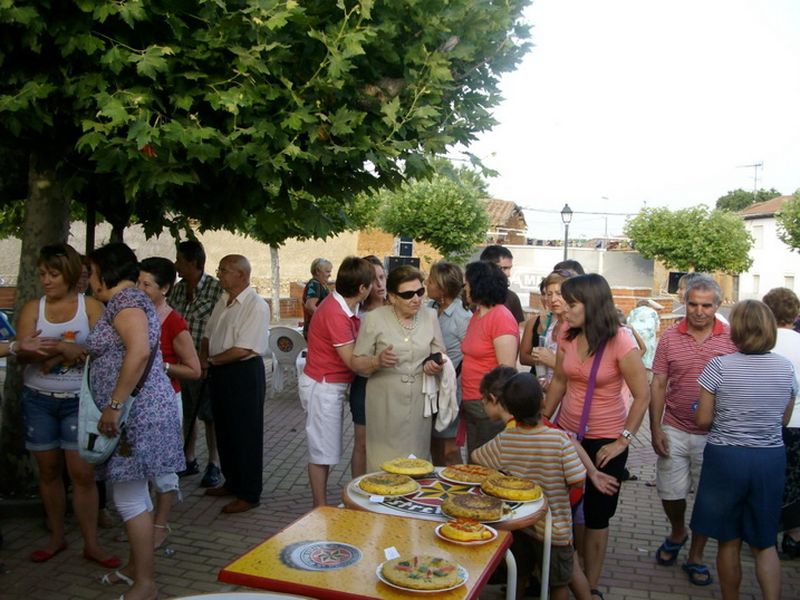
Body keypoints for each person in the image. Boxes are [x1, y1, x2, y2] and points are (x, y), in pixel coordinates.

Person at [542, 273, 650, 600]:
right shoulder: (566, 334)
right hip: (567, 434)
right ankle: (567, 576)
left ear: (592, 305)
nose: (564, 308)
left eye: (571, 303)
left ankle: (590, 586)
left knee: (597, 515)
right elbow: (559, 381)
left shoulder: (621, 340)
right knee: (565, 508)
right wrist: (542, 421)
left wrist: (623, 440)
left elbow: (642, 395)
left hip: (606, 441)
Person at [87, 242, 184, 600]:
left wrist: (114, 405)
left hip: (135, 416)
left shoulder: (126, 303)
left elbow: (139, 351)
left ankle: (146, 583)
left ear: (106, 271)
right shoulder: (130, 302)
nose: (89, 279)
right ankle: (136, 568)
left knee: (128, 498)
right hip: (140, 413)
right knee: (135, 495)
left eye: (91, 272)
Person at [15, 243, 119, 568]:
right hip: (38, 401)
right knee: (48, 473)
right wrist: (65, 349)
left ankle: (91, 544)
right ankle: (57, 537)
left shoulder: (90, 307)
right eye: (42, 274)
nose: (46, 280)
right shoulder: (33, 308)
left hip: (79, 402)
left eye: (53, 274)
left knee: (82, 475)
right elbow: (23, 353)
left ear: (70, 274)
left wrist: (54, 352)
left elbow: (106, 351)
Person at [691, 300, 795, 600]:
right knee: (765, 541)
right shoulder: (786, 368)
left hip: (726, 457)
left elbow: (703, 419)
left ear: (736, 329)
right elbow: (783, 419)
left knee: (728, 539)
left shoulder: (719, 366)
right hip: (769, 458)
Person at [649, 275, 735, 585]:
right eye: (693, 304)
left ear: (718, 305)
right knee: (670, 491)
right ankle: (677, 531)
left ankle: (696, 555)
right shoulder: (670, 337)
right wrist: (655, 428)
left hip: (716, 433)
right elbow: (658, 383)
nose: (699, 311)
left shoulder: (732, 339)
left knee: (707, 498)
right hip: (674, 426)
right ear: (685, 303)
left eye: (706, 306)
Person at [472, 372, 589, 600]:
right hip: (555, 529)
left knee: (519, 574)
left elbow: (477, 456)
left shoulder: (506, 439)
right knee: (558, 582)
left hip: (522, 523)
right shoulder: (559, 440)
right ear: (542, 403)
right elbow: (578, 479)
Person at [353, 265, 446, 471]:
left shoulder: (430, 315)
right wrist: (376, 361)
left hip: (419, 402)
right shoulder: (374, 318)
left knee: (416, 461)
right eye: (408, 294)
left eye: (420, 291)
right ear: (393, 297)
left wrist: (434, 363)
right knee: (383, 462)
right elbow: (357, 362)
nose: (416, 299)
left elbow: (439, 351)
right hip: (384, 402)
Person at [137, 257, 201, 548]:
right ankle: (140, 524)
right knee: (138, 467)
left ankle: (160, 525)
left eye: (146, 284)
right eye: (138, 282)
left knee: (163, 469)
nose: (140, 289)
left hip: (164, 402)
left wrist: (162, 366)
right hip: (136, 402)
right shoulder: (133, 315)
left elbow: (194, 370)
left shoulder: (173, 322)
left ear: (164, 288)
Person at [299, 257, 374, 506]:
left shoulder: (344, 306)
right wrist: (379, 360)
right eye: (372, 283)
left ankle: (320, 506)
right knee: (322, 452)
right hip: (324, 386)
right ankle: (319, 508)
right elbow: (353, 361)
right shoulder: (336, 313)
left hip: (328, 384)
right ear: (362, 288)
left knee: (325, 449)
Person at [202, 255, 270, 514]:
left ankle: (249, 493)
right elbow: (208, 335)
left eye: (224, 270)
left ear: (241, 275)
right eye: (219, 269)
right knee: (225, 429)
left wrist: (209, 361)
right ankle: (231, 481)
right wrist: (205, 359)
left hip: (243, 373)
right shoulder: (223, 300)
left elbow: (243, 349)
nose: (219, 274)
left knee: (246, 433)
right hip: (220, 370)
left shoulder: (255, 305)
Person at [168, 240, 223, 488]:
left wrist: (207, 358)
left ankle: (214, 463)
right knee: (187, 411)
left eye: (180, 260)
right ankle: (188, 458)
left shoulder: (215, 288)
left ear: (193, 262)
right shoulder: (178, 290)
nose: (176, 264)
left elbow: (219, 326)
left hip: (206, 363)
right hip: (181, 363)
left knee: (210, 415)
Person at [460, 261, 520, 455]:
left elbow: (506, 370)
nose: (465, 288)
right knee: (474, 459)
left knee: (486, 461)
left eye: (467, 284)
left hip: (489, 406)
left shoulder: (500, 317)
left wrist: (491, 402)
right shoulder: (477, 315)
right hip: (472, 402)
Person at [762, 287, 800, 558]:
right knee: (796, 480)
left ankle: (765, 534)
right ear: (795, 313)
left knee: (768, 480)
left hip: (768, 424)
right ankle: (794, 535)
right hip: (799, 423)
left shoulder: (764, 344)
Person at [425, 261, 471, 465]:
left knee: (450, 449)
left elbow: (468, 355)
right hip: (430, 387)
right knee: (434, 444)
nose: (426, 283)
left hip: (452, 390)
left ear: (442, 288)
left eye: (431, 281)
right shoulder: (429, 308)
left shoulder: (462, 317)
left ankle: (456, 482)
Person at [348, 255, 386, 477]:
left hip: (390, 385)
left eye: (382, 277)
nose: (380, 284)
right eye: (373, 279)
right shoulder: (357, 315)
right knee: (362, 443)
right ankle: (357, 490)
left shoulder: (396, 310)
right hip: (364, 384)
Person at [521, 270, 573, 386]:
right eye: (549, 294)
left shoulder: (578, 329)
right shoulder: (551, 327)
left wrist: (552, 361)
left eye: (559, 293)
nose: (553, 299)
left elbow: (584, 373)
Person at [480, 245, 525, 323]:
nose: (508, 274)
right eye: (503, 268)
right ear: (488, 268)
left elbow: (517, 328)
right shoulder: (471, 295)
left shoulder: (512, 298)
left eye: (509, 268)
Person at [626, 299, 661, 381]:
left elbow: (628, 325)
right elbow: (657, 329)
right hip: (648, 340)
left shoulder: (633, 312)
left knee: (636, 359)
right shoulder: (653, 312)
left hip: (635, 338)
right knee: (648, 359)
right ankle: (647, 380)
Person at [302, 258, 332, 338]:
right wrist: (326, 320)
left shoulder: (320, 284)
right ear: (318, 271)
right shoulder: (315, 284)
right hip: (316, 329)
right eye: (327, 271)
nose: (330, 275)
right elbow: (310, 306)